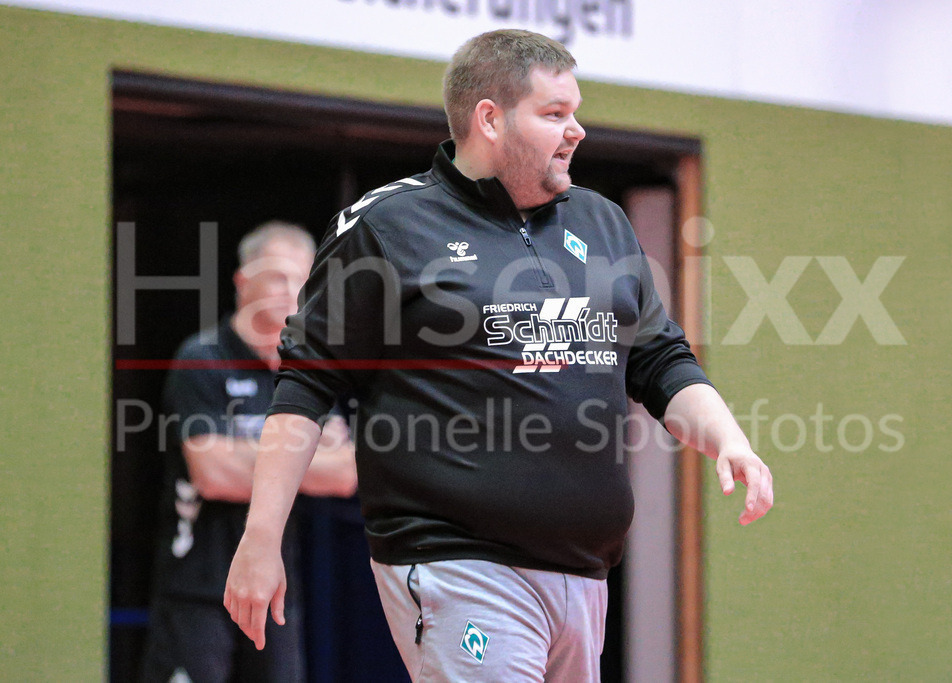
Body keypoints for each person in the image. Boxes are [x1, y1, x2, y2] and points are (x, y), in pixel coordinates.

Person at [225, 29, 774, 682]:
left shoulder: (600, 222)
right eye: (554, 114)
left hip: (582, 572)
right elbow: (307, 387)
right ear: (489, 118)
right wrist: (261, 539)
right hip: (459, 562)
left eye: (575, 112)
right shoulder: (386, 226)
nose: (577, 132)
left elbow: (659, 360)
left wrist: (728, 437)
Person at [142, 221, 358, 682]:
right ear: (243, 282)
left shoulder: (309, 372)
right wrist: (296, 456)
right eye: (277, 277)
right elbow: (213, 474)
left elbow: (344, 473)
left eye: (301, 279)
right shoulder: (202, 359)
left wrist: (245, 454)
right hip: (198, 588)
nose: (289, 291)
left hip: (276, 589)